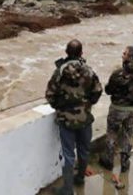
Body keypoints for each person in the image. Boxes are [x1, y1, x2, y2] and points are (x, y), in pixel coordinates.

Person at [45, 39, 102, 195]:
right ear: (81, 53)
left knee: (68, 155)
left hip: (66, 121)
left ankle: (67, 189)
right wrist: (87, 104)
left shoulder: (59, 72)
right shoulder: (89, 71)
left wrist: (60, 107)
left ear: (66, 52)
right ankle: (80, 178)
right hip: (85, 119)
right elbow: (97, 91)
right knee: (84, 150)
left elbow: (50, 95)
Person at [99, 46, 133, 173]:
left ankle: (108, 161)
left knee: (112, 133)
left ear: (130, 57)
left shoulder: (118, 73)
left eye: (124, 53)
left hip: (117, 109)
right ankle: (125, 163)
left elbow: (108, 90)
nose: (122, 55)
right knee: (128, 135)